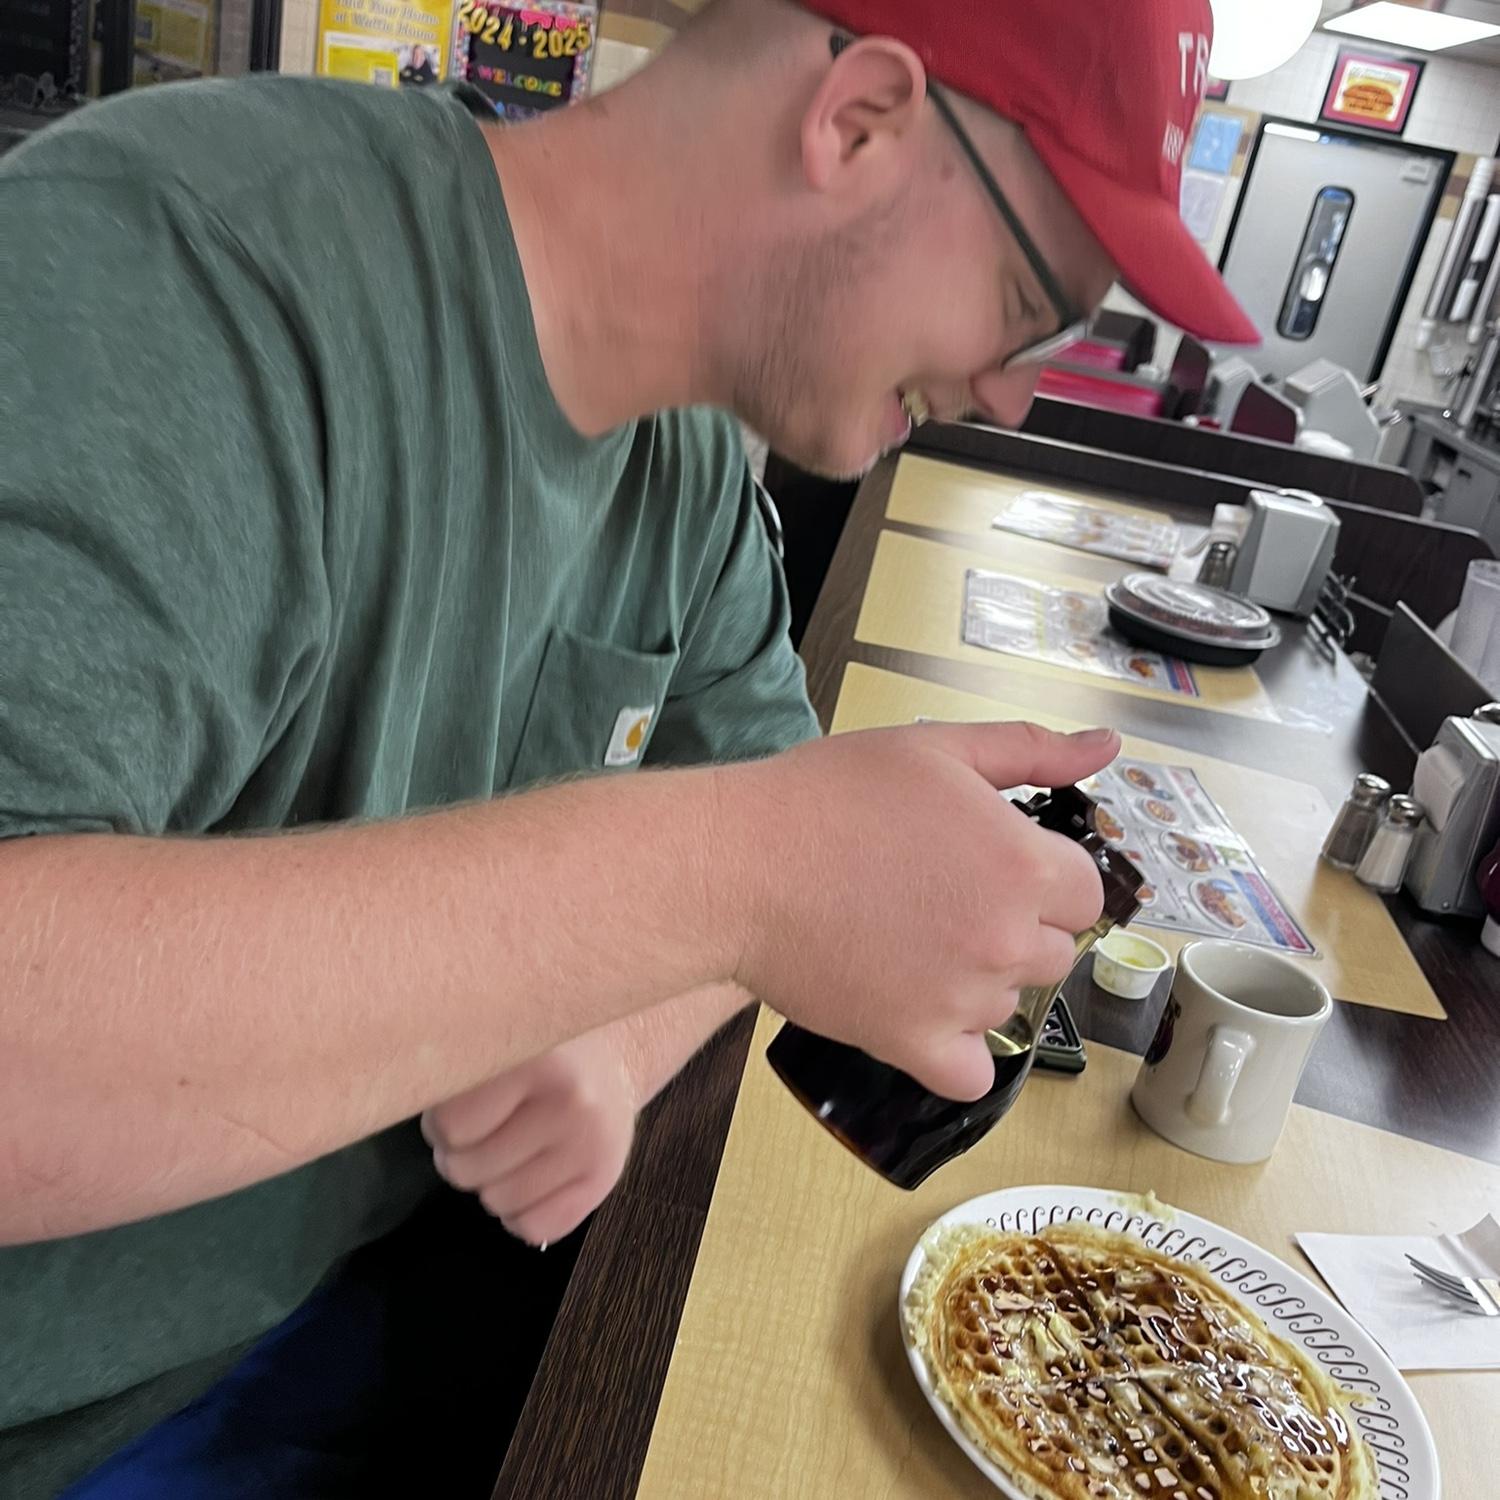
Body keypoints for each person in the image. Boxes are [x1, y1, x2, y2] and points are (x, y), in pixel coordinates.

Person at [0, 0, 1256, 1493]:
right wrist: (735, 866)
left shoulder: (693, 484)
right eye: (1032, 304)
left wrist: (617, 1036)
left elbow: (766, 892)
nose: (1013, 392)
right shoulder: (186, 270)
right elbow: (754, 864)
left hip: (356, 1317)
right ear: (856, 119)